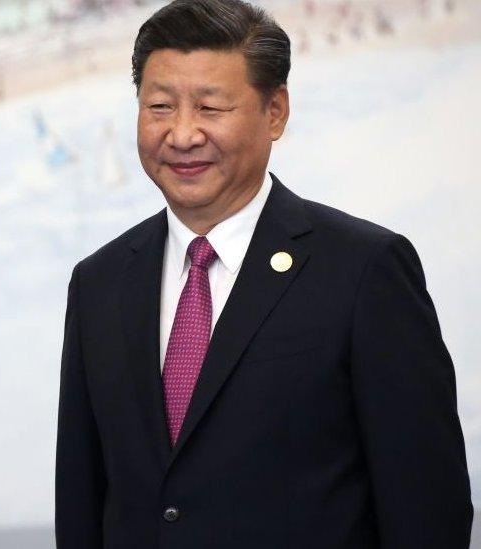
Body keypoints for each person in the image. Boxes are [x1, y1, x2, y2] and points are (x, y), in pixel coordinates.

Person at [54, 1, 472, 547]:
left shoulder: (364, 270)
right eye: (160, 106)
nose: (181, 135)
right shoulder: (99, 283)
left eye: (210, 108)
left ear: (275, 112)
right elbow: (83, 503)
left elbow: (427, 509)